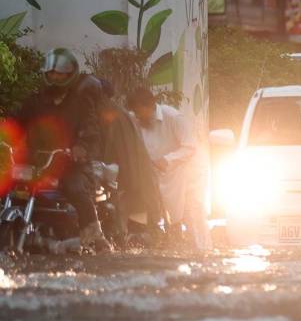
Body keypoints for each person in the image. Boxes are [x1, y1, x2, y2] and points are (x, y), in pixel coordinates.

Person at [16, 48, 113, 251]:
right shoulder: (35, 101)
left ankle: (95, 235)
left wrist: (80, 148)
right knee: (9, 185)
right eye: (51, 72)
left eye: (60, 73)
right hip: (37, 162)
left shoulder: (80, 103)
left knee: (75, 186)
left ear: (70, 75)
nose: (54, 77)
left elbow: (91, 130)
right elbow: (17, 123)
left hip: (71, 164)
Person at [129, 87, 207, 250]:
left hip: (185, 177)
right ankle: (170, 252)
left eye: (139, 112)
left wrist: (167, 160)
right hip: (157, 178)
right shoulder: (136, 120)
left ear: (150, 105)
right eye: (135, 112)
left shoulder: (173, 117)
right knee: (161, 222)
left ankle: (201, 255)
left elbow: (190, 147)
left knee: (192, 218)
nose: (138, 116)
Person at [98, 80, 165, 246]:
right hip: (130, 179)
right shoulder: (120, 115)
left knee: (122, 218)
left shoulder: (115, 115)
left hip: (125, 180)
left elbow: (120, 151)